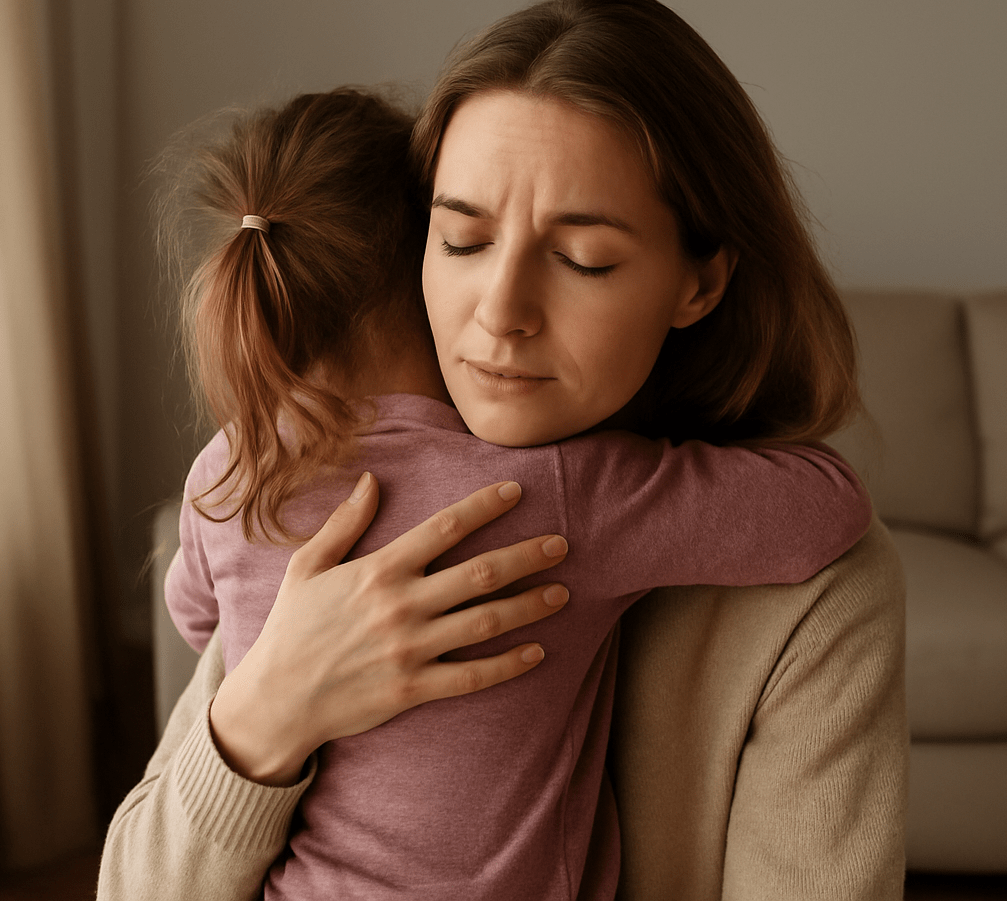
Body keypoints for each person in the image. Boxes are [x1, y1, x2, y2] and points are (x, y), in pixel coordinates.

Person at [98, 1, 907, 898]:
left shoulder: (817, 595)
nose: (500, 311)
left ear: (701, 280)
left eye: (585, 258)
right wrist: (265, 711)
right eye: (462, 239)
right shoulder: (348, 564)